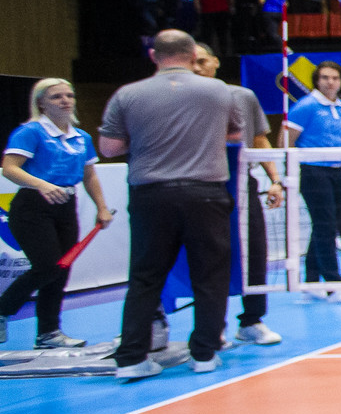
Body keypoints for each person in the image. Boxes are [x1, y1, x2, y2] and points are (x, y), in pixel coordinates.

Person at [99, 30, 245, 380]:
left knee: (146, 276)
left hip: (151, 195)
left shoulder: (128, 94)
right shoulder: (218, 90)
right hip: (205, 193)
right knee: (210, 275)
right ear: (194, 54)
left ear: (153, 55)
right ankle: (205, 354)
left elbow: (108, 148)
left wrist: (148, 138)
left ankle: (132, 358)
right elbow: (236, 134)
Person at [1, 79, 114, 349]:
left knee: (61, 269)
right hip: (33, 205)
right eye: (56, 97)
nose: (65, 100)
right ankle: (3, 309)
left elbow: (89, 175)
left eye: (69, 95)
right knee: (47, 265)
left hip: (66, 206)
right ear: (41, 102)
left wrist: (101, 206)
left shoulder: (81, 137)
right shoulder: (30, 132)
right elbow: (10, 168)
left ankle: (48, 333)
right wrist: (42, 184)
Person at [190, 45, 286, 346]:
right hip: (200, 188)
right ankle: (211, 326)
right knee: (209, 258)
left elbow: (260, 140)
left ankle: (252, 321)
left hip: (242, 188)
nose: (197, 68)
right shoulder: (180, 99)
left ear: (216, 62)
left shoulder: (243, 97)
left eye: (203, 61)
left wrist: (275, 179)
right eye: (191, 62)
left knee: (255, 252)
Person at [285, 62, 341, 304]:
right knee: (325, 225)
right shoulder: (306, 106)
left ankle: (310, 280)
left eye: (335, 78)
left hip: (339, 170)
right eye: (325, 78)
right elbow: (286, 140)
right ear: (316, 81)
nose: (330, 82)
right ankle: (334, 284)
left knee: (326, 224)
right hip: (314, 171)